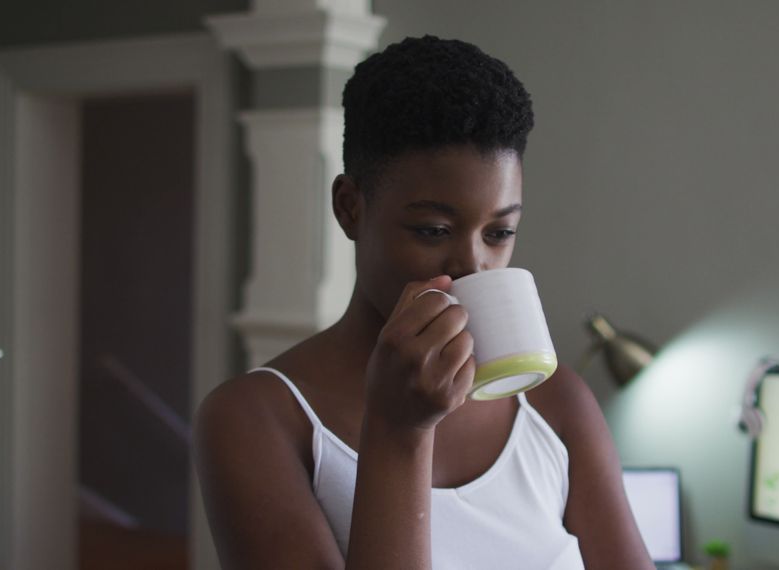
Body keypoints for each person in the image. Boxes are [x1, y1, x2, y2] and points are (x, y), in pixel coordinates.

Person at [194, 35, 654, 570]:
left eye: (500, 231)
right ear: (350, 208)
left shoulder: (554, 405)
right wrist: (400, 429)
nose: (473, 265)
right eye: (433, 229)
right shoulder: (255, 420)